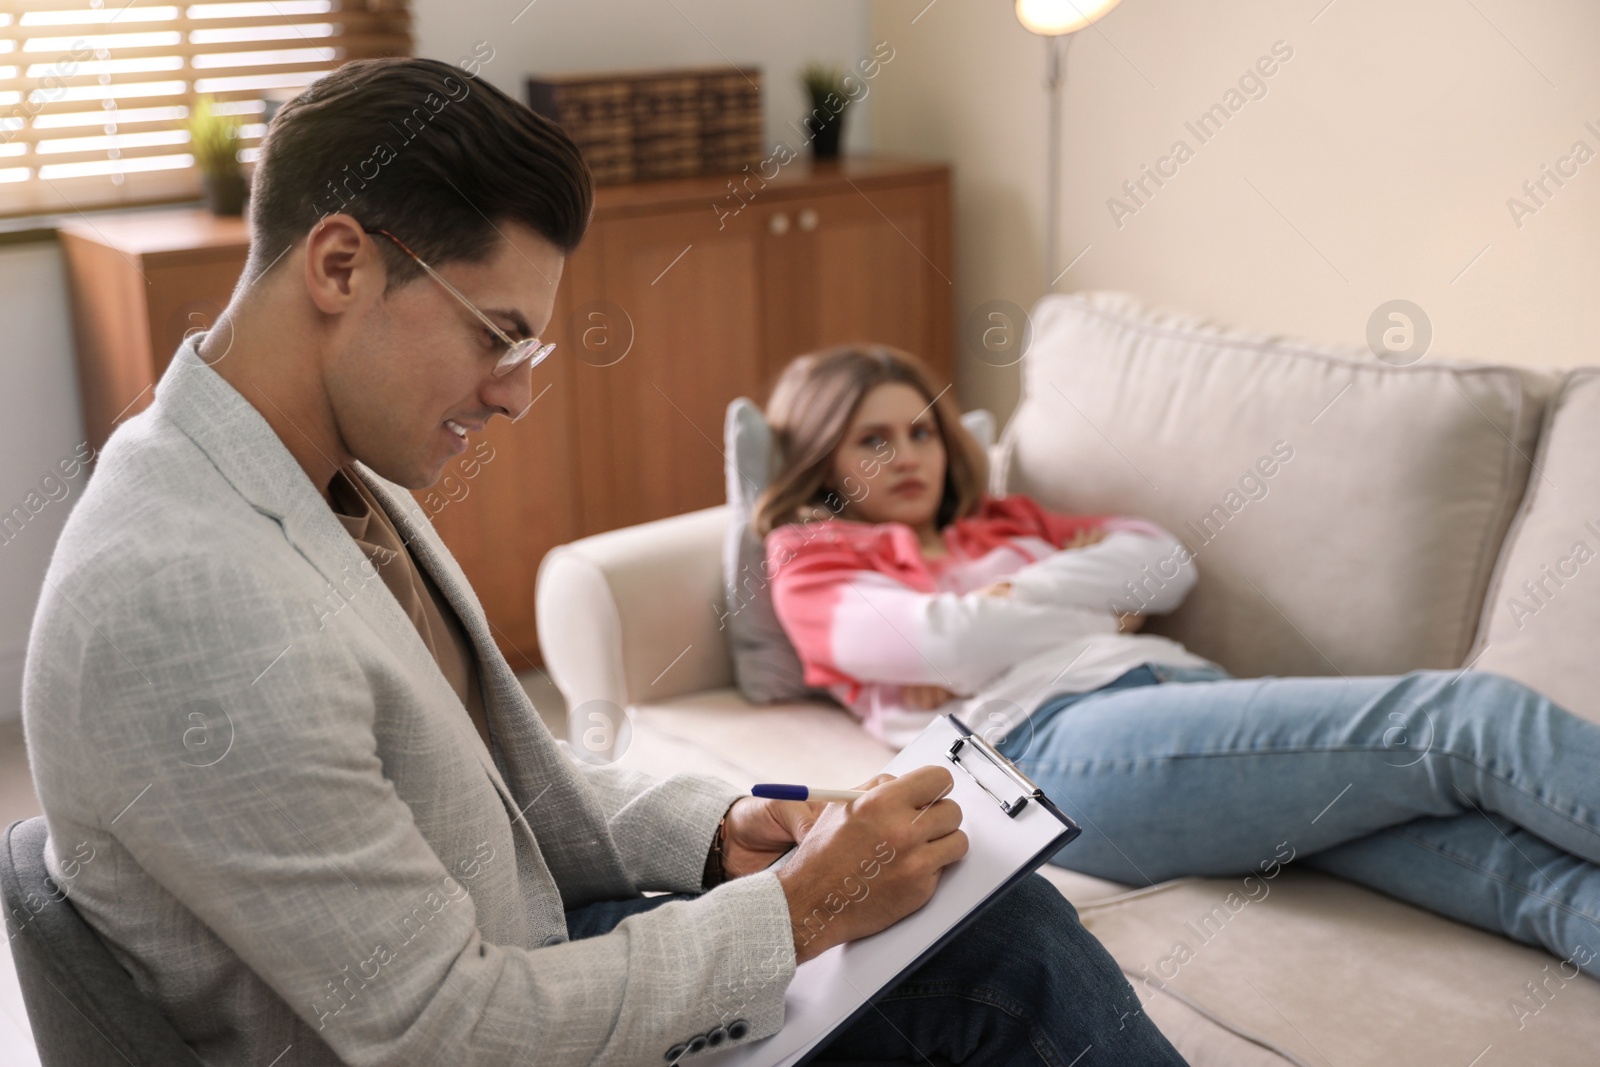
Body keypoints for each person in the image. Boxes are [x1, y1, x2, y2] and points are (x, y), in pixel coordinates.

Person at [21, 58, 1187, 1066]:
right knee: (1006, 956)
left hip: (529, 955)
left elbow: (481, 788)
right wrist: (794, 912)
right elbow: (444, 1030)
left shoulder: (310, 466)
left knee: (975, 921)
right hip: (492, 1027)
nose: (519, 392)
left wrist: (723, 829)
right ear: (339, 267)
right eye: (498, 334)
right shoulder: (186, 596)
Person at [757, 342, 1600, 980]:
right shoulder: (812, 555)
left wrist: (1003, 608)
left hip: (1182, 700)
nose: (906, 454)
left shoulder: (1007, 523)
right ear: (823, 456)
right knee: (1468, 719)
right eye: (872, 440)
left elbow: (1164, 563)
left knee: (1516, 876)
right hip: (1048, 746)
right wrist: (1083, 605)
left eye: (920, 431)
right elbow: (943, 641)